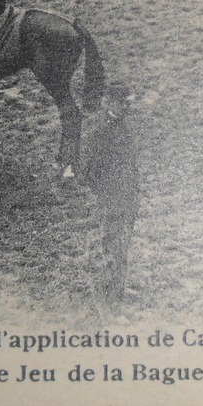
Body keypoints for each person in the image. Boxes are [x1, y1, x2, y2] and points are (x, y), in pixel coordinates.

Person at [82, 81, 141, 298]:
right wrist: (106, 194)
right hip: (112, 198)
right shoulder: (100, 132)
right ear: (112, 102)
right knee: (110, 245)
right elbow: (89, 171)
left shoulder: (125, 126)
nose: (128, 108)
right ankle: (107, 291)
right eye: (125, 103)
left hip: (129, 196)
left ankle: (118, 288)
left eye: (130, 104)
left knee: (123, 244)